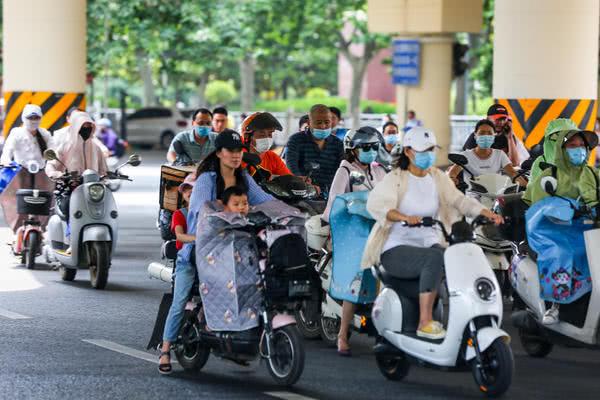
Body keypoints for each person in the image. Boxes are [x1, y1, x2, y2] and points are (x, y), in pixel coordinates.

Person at [361, 127, 503, 339]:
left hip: (430, 243)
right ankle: (424, 322)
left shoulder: (437, 177)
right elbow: (377, 205)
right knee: (435, 258)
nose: (429, 155)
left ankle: (466, 318)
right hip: (395, 249)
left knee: (458, 258)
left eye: (431, 150)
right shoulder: (395, 178)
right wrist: (403, 217)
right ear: (408, 151)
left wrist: (486, 213)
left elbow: (459, 200)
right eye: (423, 150)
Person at [159, 129, 273, 374]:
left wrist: (289, 211)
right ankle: (166, 349)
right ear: (219, 153)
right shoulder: (206, 180)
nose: (236, 155)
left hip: (232, 249)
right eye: (231, 150)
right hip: (198, 249)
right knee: (180, 301)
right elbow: (200, 210)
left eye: (239, 150)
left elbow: (264, 200)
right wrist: (226, 217)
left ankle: (234, 340)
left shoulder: (243, 177)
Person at [321, 127, 387, 355]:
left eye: (374, 147)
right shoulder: (345, 171)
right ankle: (342, 335)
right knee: (355, 281)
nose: (371, 151)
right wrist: (355, 207)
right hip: (353, 233)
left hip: (379, 230)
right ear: (353, 150)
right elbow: (335, 204)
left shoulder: (378, 170)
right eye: (365, 147)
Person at [523, 129, 599, 324]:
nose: (578, 150)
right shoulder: (550, 175)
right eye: (572, 146)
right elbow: (540, 206)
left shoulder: (593, 173)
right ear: (561, 149)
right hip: (555, 230)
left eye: (582, 146)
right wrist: (566, 208)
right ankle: (555, 304)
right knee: (562, 252)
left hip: (589, 228)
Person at [0, 104, 54, 232]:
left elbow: (53, 150)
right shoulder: (17, 133)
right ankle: (18, 229)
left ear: (40, 118)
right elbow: (7, 151)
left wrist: (54, 163)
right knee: (19, 200)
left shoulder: (44, 134)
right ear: (24, 118)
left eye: (36, 117)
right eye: (30, 117)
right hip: (21, 172)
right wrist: (6, 161)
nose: (33, 120)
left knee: (45, 198)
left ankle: (41, 228)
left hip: (41, 172)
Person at [447, 119, 528, 187]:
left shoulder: (500, 155)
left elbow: (513, 173)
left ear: (494, 136)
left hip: (497, 196)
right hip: (473, 197)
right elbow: (453, 172)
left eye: (489, 133)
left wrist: (527, 187)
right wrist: (452, 179)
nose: (486, 136)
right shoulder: (466, 155)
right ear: (475, 135)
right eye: (482, 133)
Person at [286, 104, 344, 195]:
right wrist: (301, 180)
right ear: (309, 122)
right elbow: (291, 165)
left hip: (331, 193)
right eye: (318, 122)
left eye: (327, 122)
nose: (323, 126)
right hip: (303, 192)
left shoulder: (338, 143)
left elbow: (342, 169)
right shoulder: (295, 140)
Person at [463, 104, 529, 166]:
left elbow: (514, 164)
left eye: (504, 119)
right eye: (497, 119)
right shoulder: (478, 137)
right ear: (488, 119)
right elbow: (467, 162)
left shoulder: (509, 137)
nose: (501, 122)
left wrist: (510, 138)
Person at [46, 112, 108, 177]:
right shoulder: (66, 146)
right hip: (72, 182)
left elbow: (104, 169)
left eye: (89, 125)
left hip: (93, 182)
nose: (87, 128)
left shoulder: (96, 148)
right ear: (76, 127)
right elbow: (51, 164)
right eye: (83, 125)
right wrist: (55, 174)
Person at [240, 112, 291, 183]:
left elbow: (289, 179)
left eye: (270, 134)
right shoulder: (236, 155)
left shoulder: (272, 157)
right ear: (247, 136)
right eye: (262, 134)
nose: (267, 138)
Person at [171, 175, 196, 250]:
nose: (189, 191)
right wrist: (198, 239)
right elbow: (180, 236)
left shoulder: (209, 211)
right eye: (185, 190)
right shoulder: (179, 214)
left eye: (192, 188)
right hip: (186, 252)